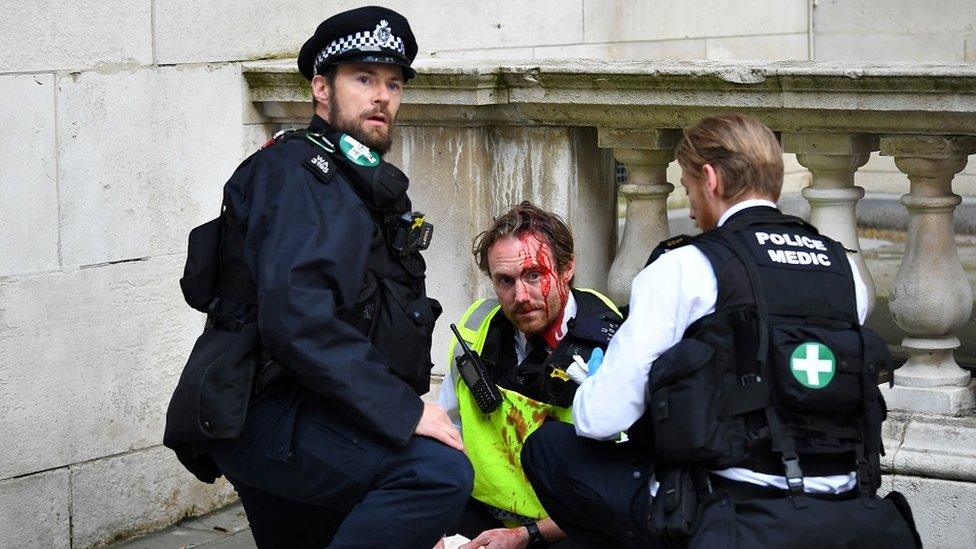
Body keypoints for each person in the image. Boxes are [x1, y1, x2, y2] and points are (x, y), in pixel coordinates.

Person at [520, 114, 921, 548]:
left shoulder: (684, 267)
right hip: (846, 505)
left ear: (710, 180)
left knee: (550, 448)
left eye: (689, 188)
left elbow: (600, 420)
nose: (691, 208)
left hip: (733, 515)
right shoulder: (846, 271)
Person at [163, 6, 472, 548]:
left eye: (393, 83)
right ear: (321, 89)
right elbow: (296, 319)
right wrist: (401, 411)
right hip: (267, 409)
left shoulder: (355, 180)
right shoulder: (298, 177)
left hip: (306, 405)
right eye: (363, 79)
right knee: (434, 473)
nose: (382, 96)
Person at [436, 202, 622, 548]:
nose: (520, 296)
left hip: (572, 524)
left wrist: (525, 535)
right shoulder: (475, 330)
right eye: (505, 280)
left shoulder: (611, 343)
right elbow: (449, 433)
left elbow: (616, 489)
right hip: (483, 516)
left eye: (534, 275)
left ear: (567, 268)